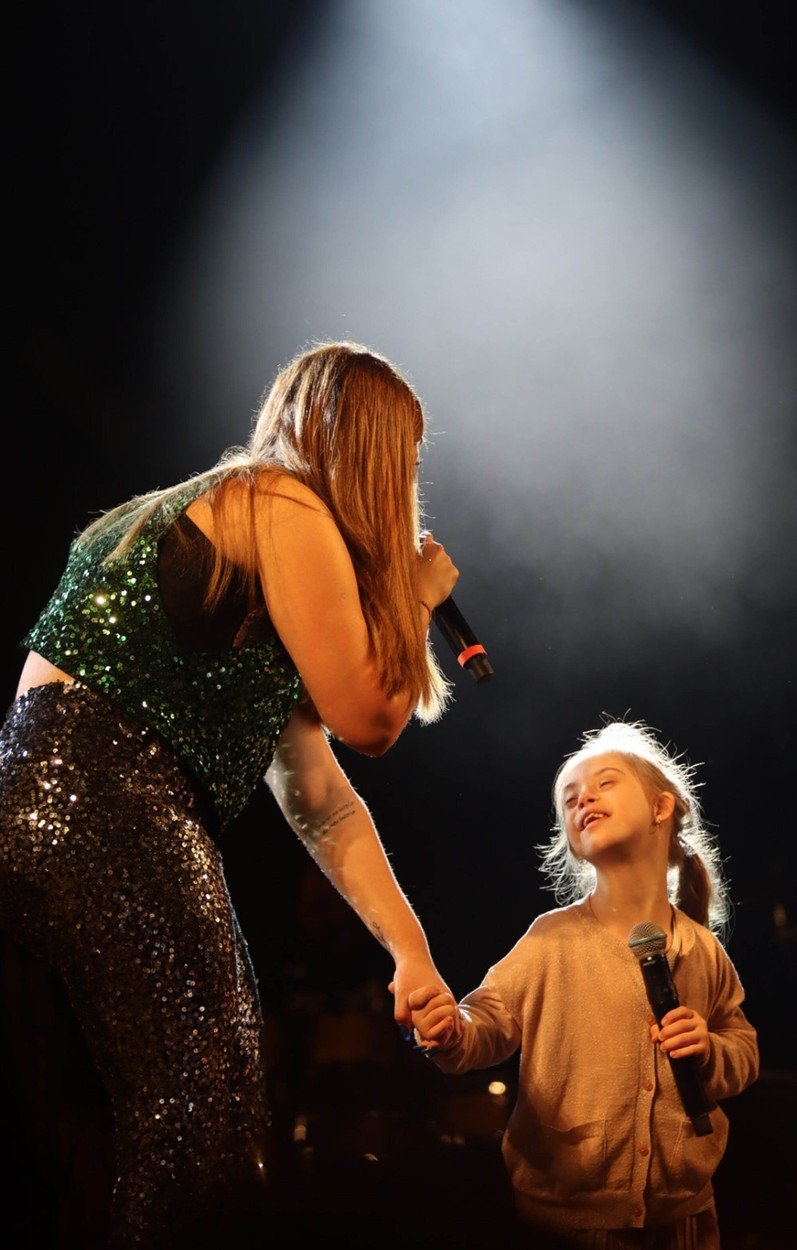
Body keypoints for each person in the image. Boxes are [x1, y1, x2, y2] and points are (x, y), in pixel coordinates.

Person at [0, 341, 458, 1248]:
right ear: (369, 453)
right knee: (202, 1096)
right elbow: (370, 720)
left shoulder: (237, 537)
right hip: (109, 792)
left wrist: (409, 953)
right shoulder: (281, 502)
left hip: (36, 797)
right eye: (402, 463)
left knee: (80, 1125)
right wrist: (411, 597)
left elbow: (320, 796)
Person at [408, 721, 759, 1250]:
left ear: (661, 808)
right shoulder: (552, 940)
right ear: (571, 841)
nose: (584, 798)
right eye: (569, 798)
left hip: (684, 1218)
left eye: (605, 783)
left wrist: (711, 1050)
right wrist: (451, 1031)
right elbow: (487, 1022)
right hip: (567, 1224)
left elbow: (744, 1047)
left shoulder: (702, 949)